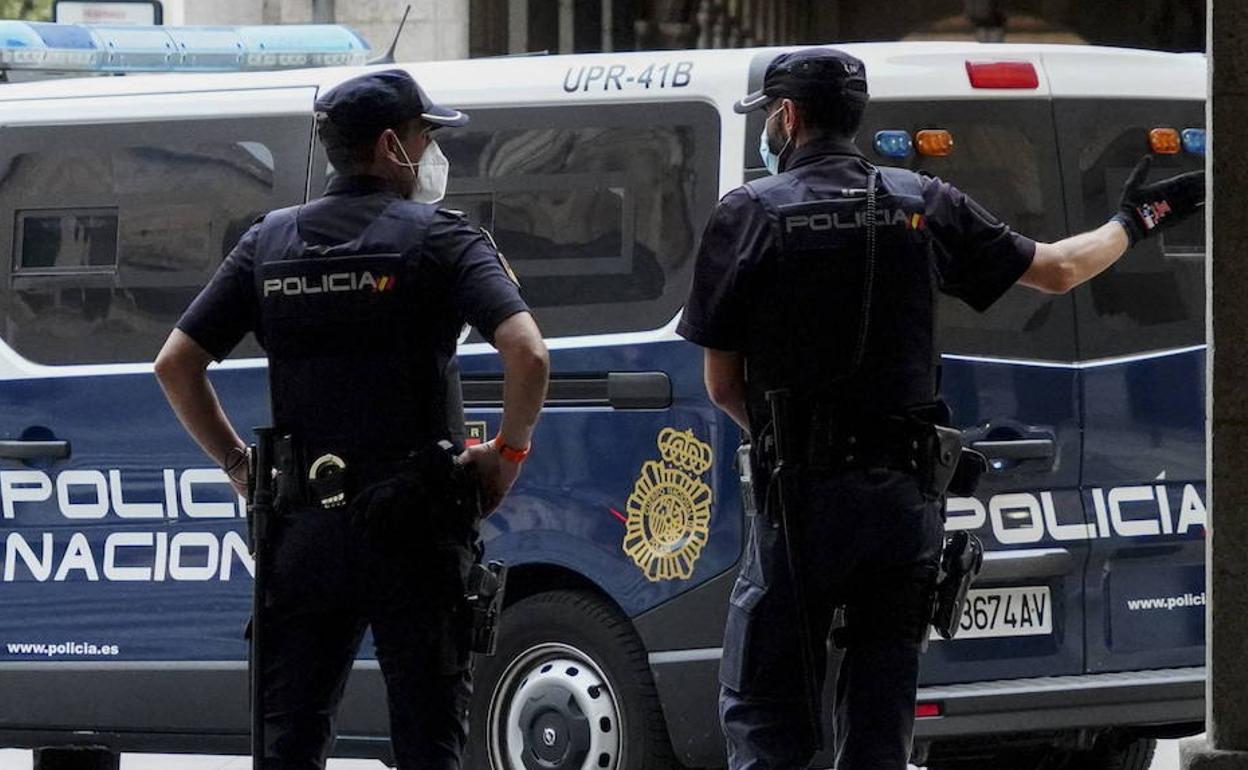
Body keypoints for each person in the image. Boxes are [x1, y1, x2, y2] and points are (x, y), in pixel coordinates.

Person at [676, 48, 1205, 770]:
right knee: (880, 711)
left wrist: (790, 444)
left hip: (801, 502)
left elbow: (722, 385)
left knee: (768, 711)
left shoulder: (749, 213)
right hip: (903, 502)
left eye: (770, 114)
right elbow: (1058, 270)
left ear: (788, 117)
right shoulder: (924, 203)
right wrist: (1138, 218)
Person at [153, 69, 550, 770]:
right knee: (428, 741)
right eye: (426, 136)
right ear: (393, 147)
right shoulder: (443, 238)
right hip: (416, 528)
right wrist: (508, 454)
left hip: (301, 529)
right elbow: (528, 352)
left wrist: (241, 467)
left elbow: (176, 364)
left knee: (288, 743)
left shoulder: (267, 242)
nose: (433, 153)